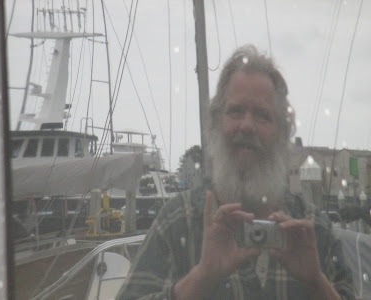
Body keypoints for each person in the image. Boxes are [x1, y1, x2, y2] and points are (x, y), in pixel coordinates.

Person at [116, 45, 354, 300]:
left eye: (262, 115)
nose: (247, 125)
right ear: (216, 123)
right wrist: (203, 277)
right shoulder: (177, 222)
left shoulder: (312, 230)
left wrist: (316, 283)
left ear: (282, 133)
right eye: (236, 111)